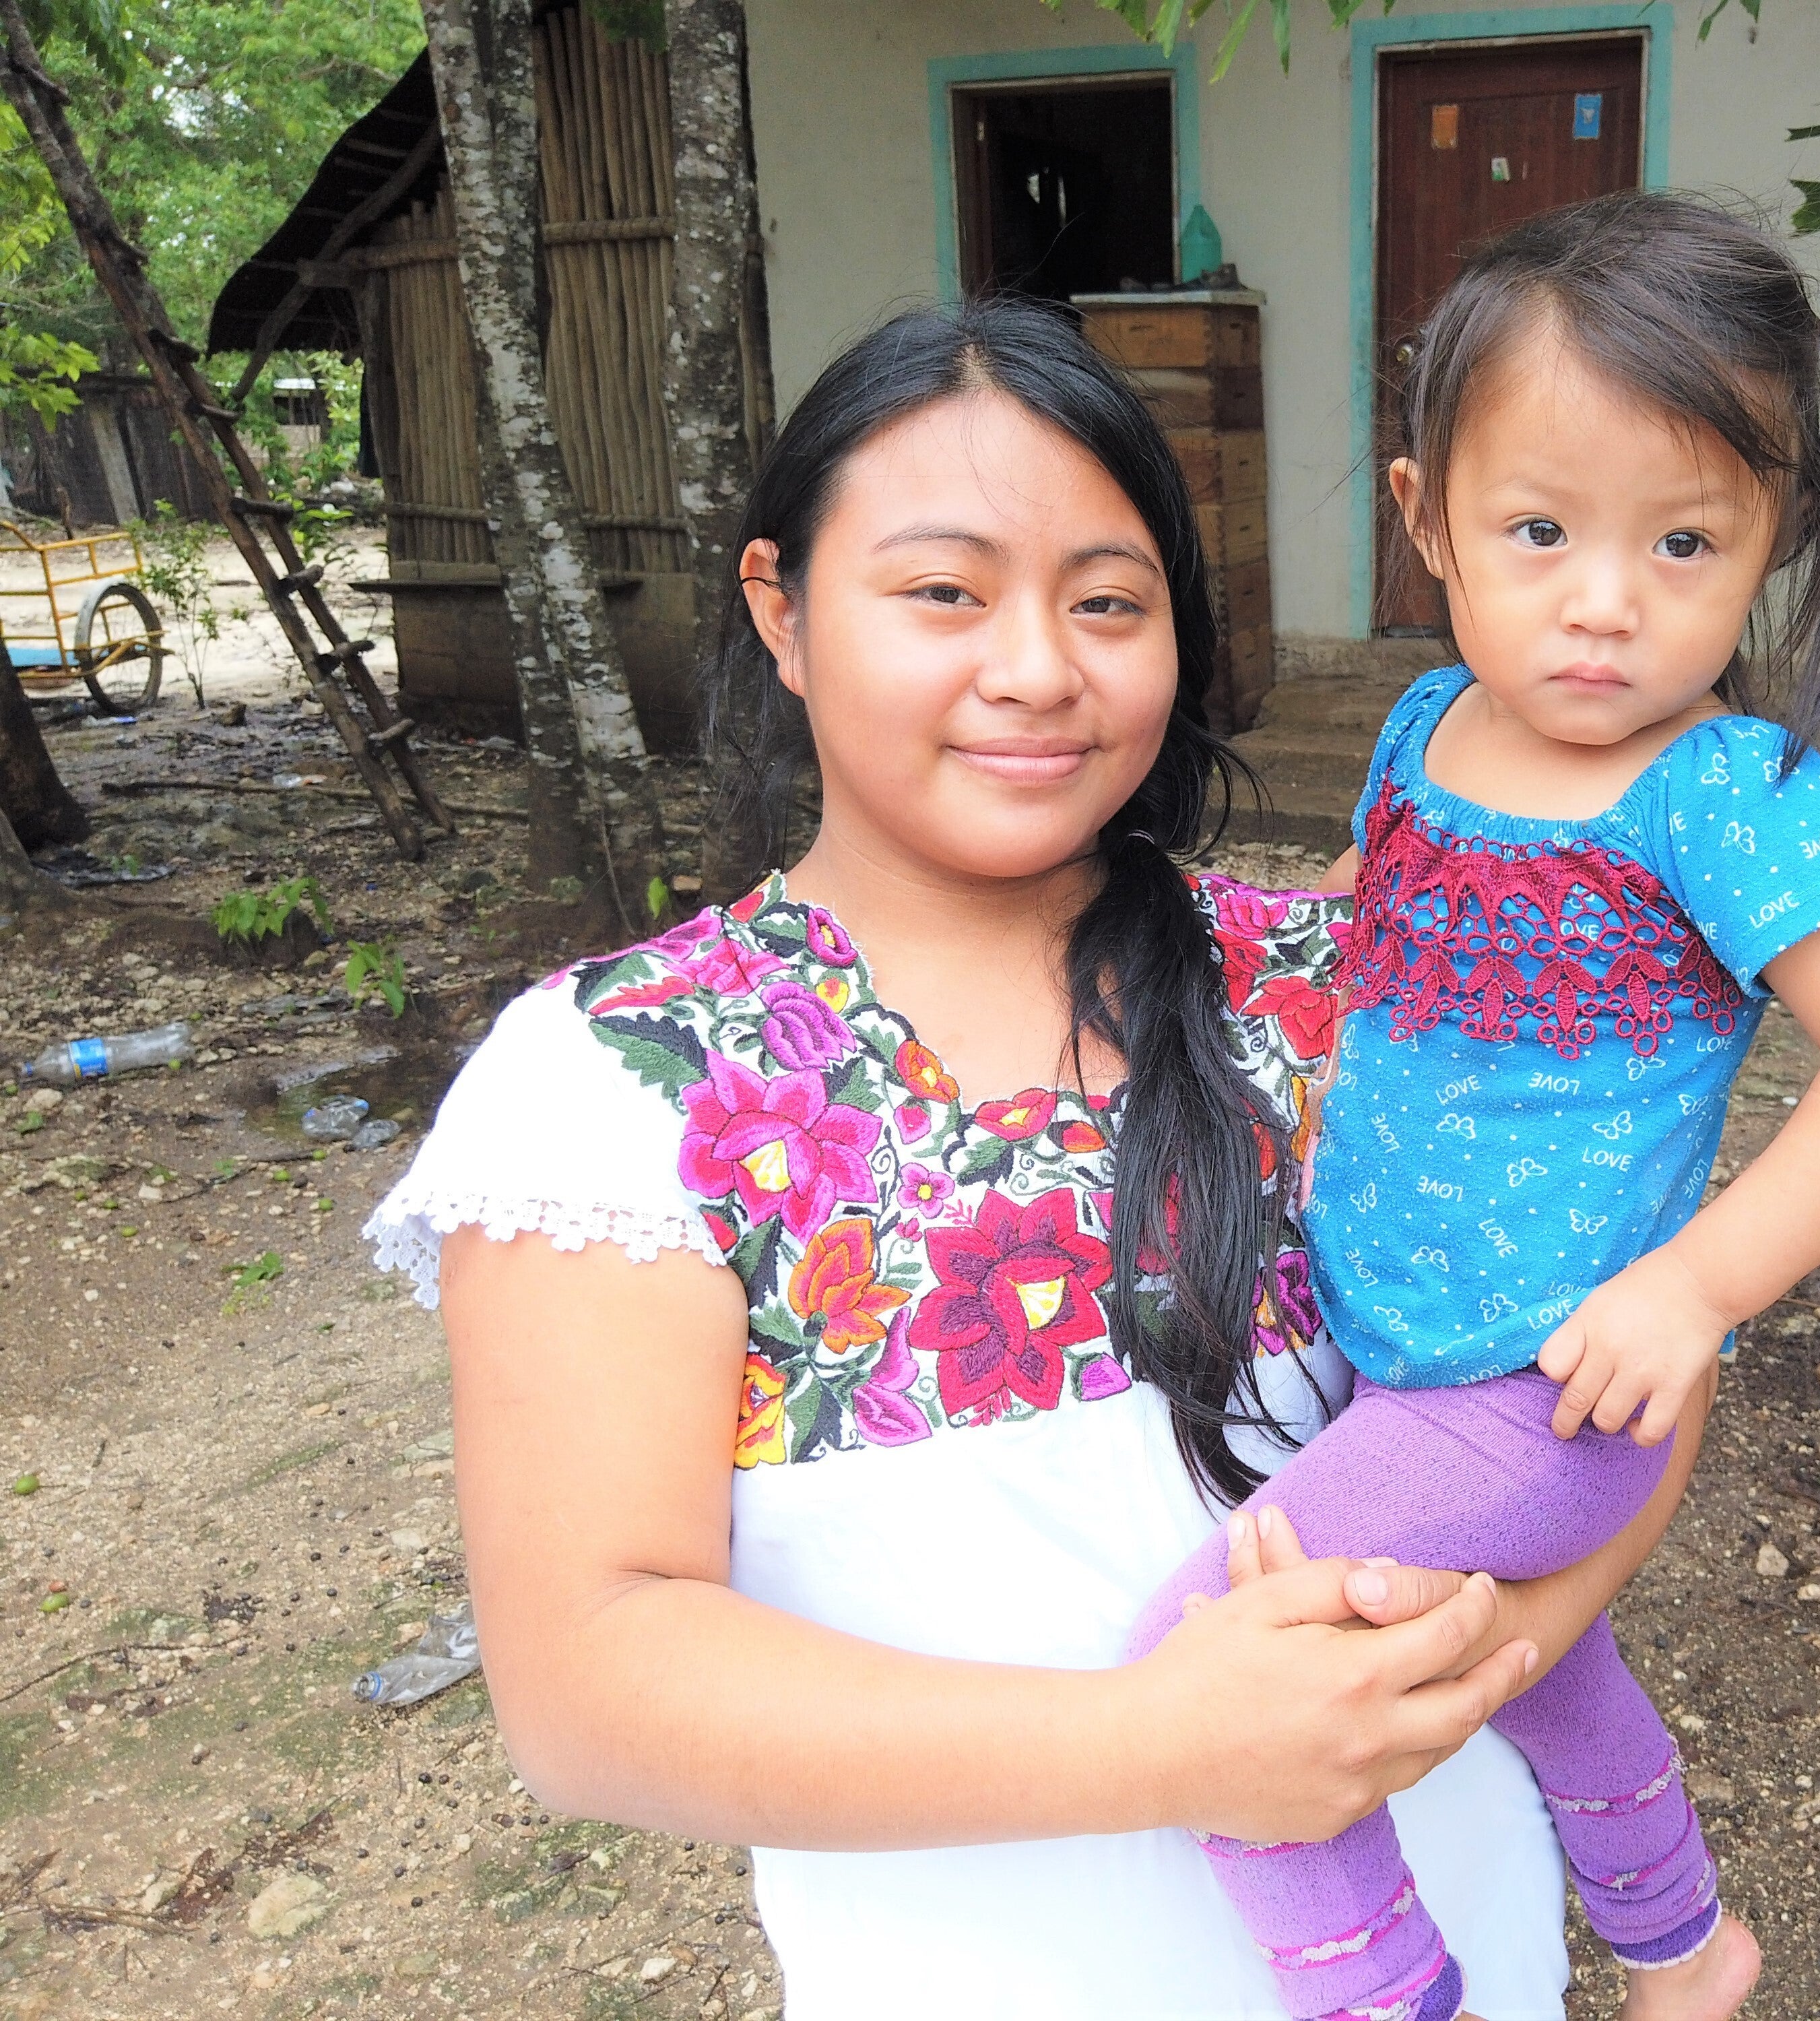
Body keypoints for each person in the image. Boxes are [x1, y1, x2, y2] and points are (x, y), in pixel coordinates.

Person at [362, 298, 1721, 2018]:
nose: (1035, 671)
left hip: (1474, 1946)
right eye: (943, 592)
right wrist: (1162, 1745)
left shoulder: (1343, 995)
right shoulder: (626, 1086)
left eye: (1107, 603)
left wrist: (1480, 1663)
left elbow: (1620, 1369)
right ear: (781, 610)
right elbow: (589, 1684)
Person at [1123, 191, 1820, 2021]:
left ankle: (1385, 1993)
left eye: (1683, 540)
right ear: (1425, 516)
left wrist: (1698, 1288)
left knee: (1206, 1665)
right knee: (1552, 1678)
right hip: (1386, 1335)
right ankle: (1687, 1949)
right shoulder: (1424, 722)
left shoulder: (1726, 791)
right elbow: (1376, 936)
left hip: (1551, 1383)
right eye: (1540, 530)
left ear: (1770, 540)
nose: (1606, 601)